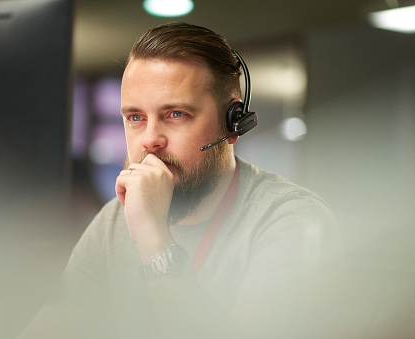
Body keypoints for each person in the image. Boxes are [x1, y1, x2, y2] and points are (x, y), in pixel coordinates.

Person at [19, 22, 344, 339]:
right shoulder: (114, 221)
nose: (150, 140)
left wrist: (153, 236)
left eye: (176, 114)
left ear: (232, 126)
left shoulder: (290, 221)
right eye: (135, 117)